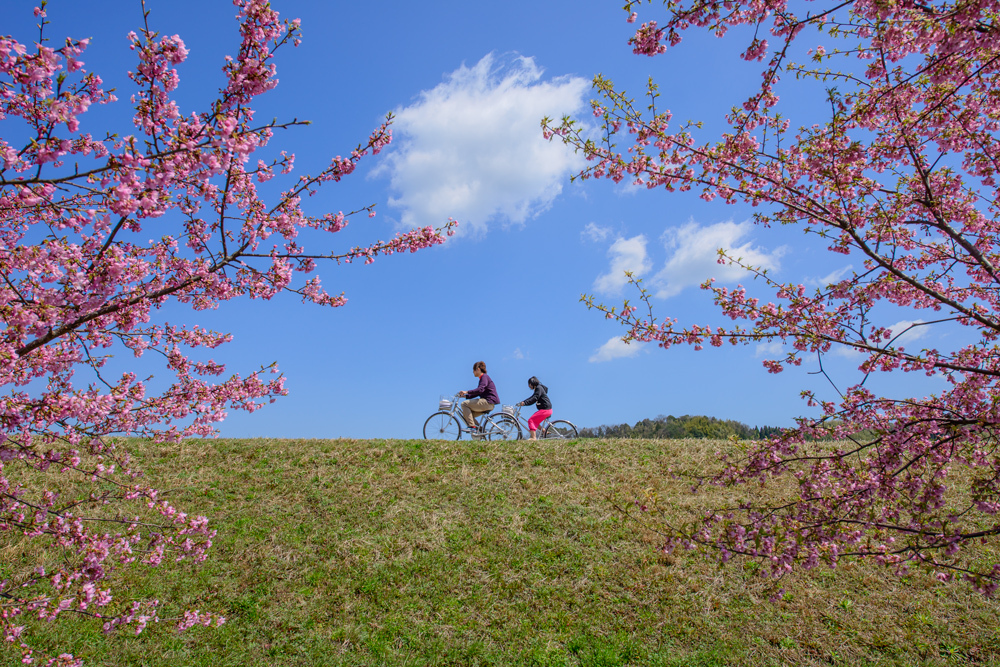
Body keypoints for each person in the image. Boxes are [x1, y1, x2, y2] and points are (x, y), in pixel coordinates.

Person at [457, 360, 499, 435]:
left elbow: (480, 389)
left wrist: (467, 391)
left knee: (464, 404)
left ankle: (472, 427)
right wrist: (465, 396)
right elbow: (479, 392)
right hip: (488, 403)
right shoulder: (482, 378)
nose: (473, 372)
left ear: (478, 369)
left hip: (488, 401)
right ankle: (480, 430)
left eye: (473, 370)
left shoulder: (484, 377)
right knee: (467, 414)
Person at [518, 376, 552, 440]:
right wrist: (524, 402)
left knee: (531, 420)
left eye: (529, 384)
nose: (529, 386)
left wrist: (525, 403)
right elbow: (532, 397)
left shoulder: (539, 388)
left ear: (532, 383)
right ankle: (544, 431)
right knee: (535, 422)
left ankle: (533, 438)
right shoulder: (538, 388)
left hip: (545, 410)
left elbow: (534, 398)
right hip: (546, 409)